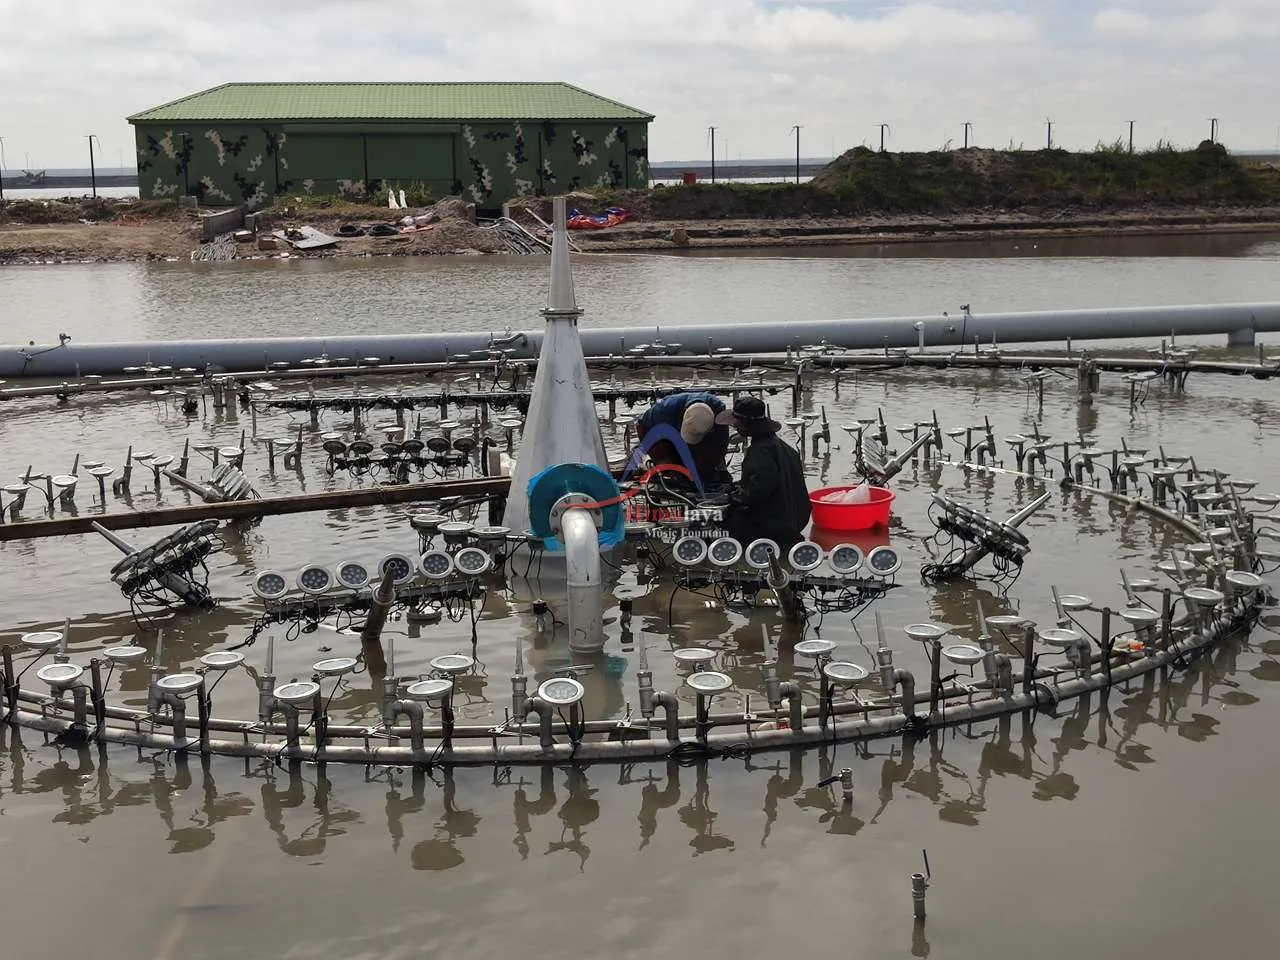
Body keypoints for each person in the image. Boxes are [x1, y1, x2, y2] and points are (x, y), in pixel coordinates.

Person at [715, 395, 812, 551]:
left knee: (718, 522)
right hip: (797, 520)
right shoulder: (783, 447)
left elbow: (757, 492)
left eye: (737, 425)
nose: (736, 428)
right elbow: (766, 482)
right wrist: (735, 487)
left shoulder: (759, 451)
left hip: (775, 526)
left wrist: (730, 498)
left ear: (746, 426)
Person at [634, 391, 731, 487]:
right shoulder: (664, 411)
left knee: (711, 471)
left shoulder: (719, 411)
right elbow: (641, 426)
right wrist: (661, 459)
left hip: (705, 440)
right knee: (672, 470)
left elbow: (721, 446)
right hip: (669, 437)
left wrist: (715, 465)